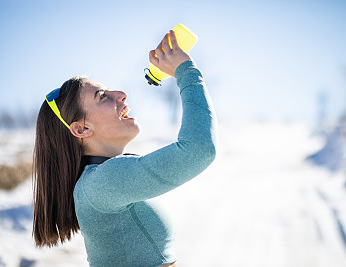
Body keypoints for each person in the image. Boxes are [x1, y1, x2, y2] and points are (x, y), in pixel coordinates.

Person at [32, 29, 217, 267]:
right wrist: (186, 71)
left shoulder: (100, 181)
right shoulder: (104, 181)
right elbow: (199, 150)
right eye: (102, 97)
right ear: (81, 129)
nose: (120, 94)